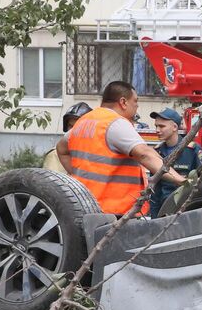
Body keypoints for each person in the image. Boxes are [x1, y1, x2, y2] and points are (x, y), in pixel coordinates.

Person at [56, 81, 186, 215]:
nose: (137, 106)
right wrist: (181, 180)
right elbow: (145, 155)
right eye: (135, 101)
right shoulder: (115, 123)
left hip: (85, 207)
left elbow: (61, 148)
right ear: (123, 102)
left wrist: (76, 175)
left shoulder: (83, 122)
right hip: (113, 212)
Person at [148, 107, 202, 214]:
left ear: (174, 127)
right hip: (165, 209)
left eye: (162, 126)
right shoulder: (157, 152)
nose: (157, 130)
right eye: (156, 126)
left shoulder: (192, 150)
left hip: (189, 209)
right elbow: (155, 192)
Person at [43, 102, 91, 173]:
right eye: (71, 126)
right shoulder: (55, 156)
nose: (73, 131)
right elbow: (51, 182)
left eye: (78, 127)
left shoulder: (97, 154)